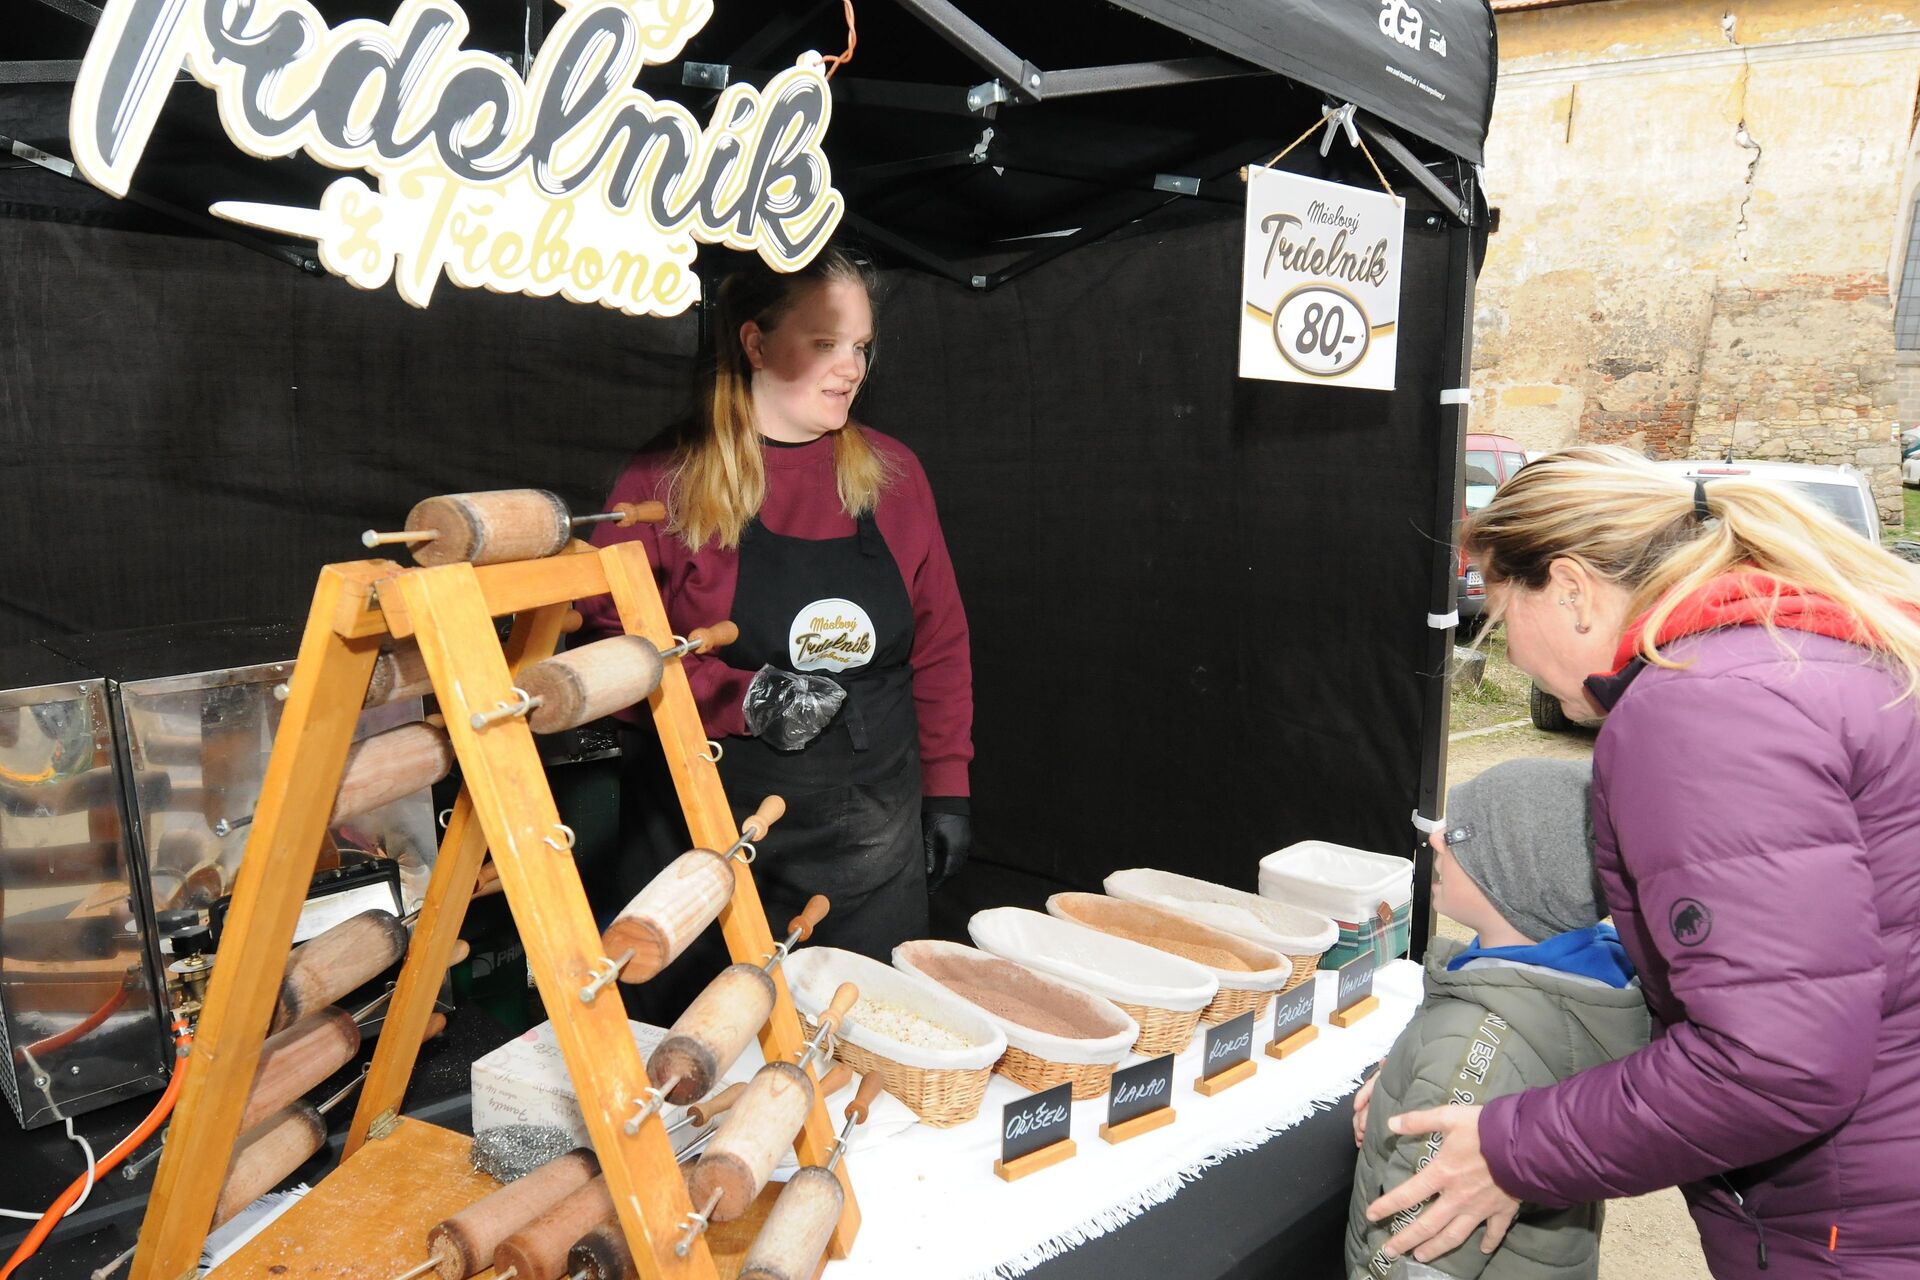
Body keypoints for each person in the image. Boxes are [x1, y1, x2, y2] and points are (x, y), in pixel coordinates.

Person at [1365, 445, 1920, 1278]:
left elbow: (1777, 1060)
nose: (1511, 655)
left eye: (1503, 617)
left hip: (1861, 1222)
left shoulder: (1705, 707)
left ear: (1572, 589)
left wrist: (1513, 1150)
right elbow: (1781, 980)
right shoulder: (1809, 654)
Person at [578, 247, 973, 968]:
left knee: (857, 1019)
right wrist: (741, 697)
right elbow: (609, 649)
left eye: (860, 346)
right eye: (826, 344)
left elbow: (940, 644)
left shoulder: (895, 475)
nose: (851, 368)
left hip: (870, 844)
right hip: (708, 833)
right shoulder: (664, 482)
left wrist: (948, 788)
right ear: (756, 343)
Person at [1346, 758, 1648, 1280]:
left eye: (1460, 836)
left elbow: (1415, 1255)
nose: (1435, 839)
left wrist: (1448, 1069)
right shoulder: (1582, 985)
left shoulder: (1478, 1047)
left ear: (1514, 879)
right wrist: (1406, 1077)